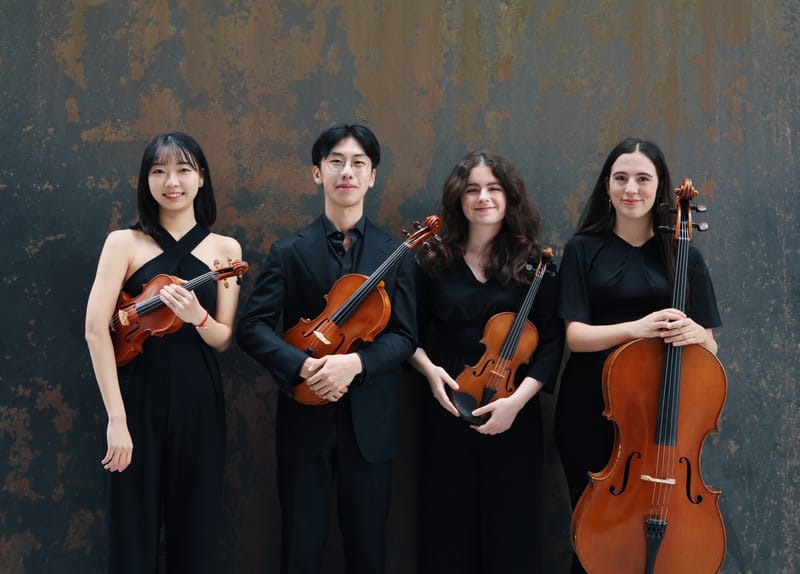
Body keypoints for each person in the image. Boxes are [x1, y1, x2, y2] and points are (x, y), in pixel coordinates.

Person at [236, 123, 416, 574]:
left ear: (372, 176)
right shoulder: (288, 251)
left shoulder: (397, 253)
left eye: (358, 163)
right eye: (335, 162)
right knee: (300, 549)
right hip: (304, 420)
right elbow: (253, 327)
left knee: (369, 551)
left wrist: (354, 364)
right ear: (318, 173)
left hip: (370, 429)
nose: (346, 172)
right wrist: (305, 366)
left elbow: (405, 337)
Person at [554, 137, 722, 573]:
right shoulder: (582, 249)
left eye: (643, 178)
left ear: (659, 186)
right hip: (592, 408)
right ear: (606, 186)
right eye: (621, 178)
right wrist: (637, 328)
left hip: (662, 418)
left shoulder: (683, 253)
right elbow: (575, 336)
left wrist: (693, 333)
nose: (632, 188)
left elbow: (711, 343)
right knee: (594, 536)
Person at [84, 132, 242, 572]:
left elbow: (224, 337)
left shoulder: (224, 250)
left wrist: (198, 317)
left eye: (183, 170)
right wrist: (118, 419)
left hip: (199, 400)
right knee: (131, 530)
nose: (171, 181)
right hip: (137, 399)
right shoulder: (124, 243)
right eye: (159, 171)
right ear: (146, 180)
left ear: (201, 178)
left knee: (196, 527)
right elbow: (96, 330)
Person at [409, 150, 564, 574]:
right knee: (445, 532)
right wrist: (429, 373)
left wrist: (517, 403)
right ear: (458, 198)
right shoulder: (431, 260)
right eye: (472, 189)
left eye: (494, 189)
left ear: (510, 198)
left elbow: (551, 343)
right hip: (445, 406)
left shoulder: (537, 265)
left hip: (513, 414)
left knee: (510, 534)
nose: (483, 198)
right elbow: (408, 332)